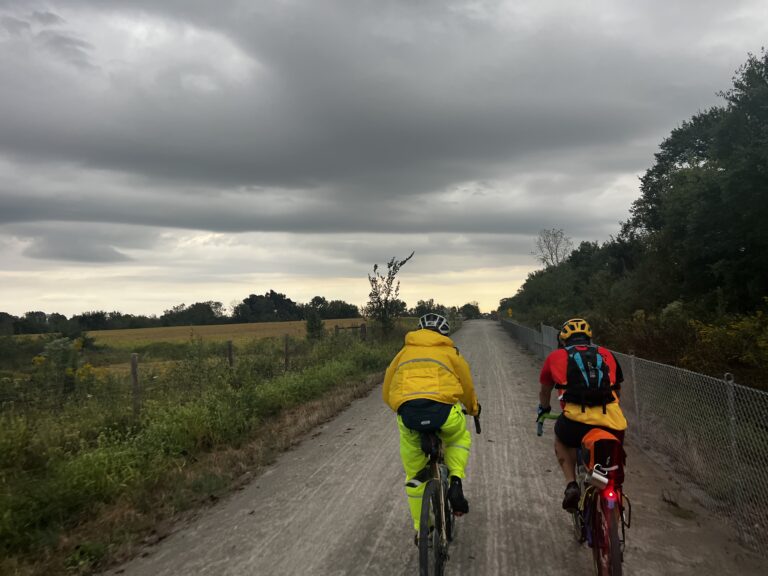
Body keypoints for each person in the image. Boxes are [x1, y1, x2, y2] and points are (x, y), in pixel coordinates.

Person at [382, 312, 480, 543]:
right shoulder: (450, 352)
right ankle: (455, 480)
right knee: (457, 439)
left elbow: (387, 387)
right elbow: (466, 385)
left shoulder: (402, 353)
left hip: (410, 417)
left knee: (415, 473)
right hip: (444, 413)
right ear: (444, 333)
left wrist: (398, 407)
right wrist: (473, 409)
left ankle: (423, 529)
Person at [538, 318, 627, 511]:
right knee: (613, 455)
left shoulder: (555, 357)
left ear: (563, 340)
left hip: (575, 421)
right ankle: (613, 492)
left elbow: (545, 391)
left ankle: (571, 485)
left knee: (561, 440)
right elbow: (617, 391)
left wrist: (544, 409)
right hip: (613, 422)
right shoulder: (606, 354)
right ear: (589, 338)